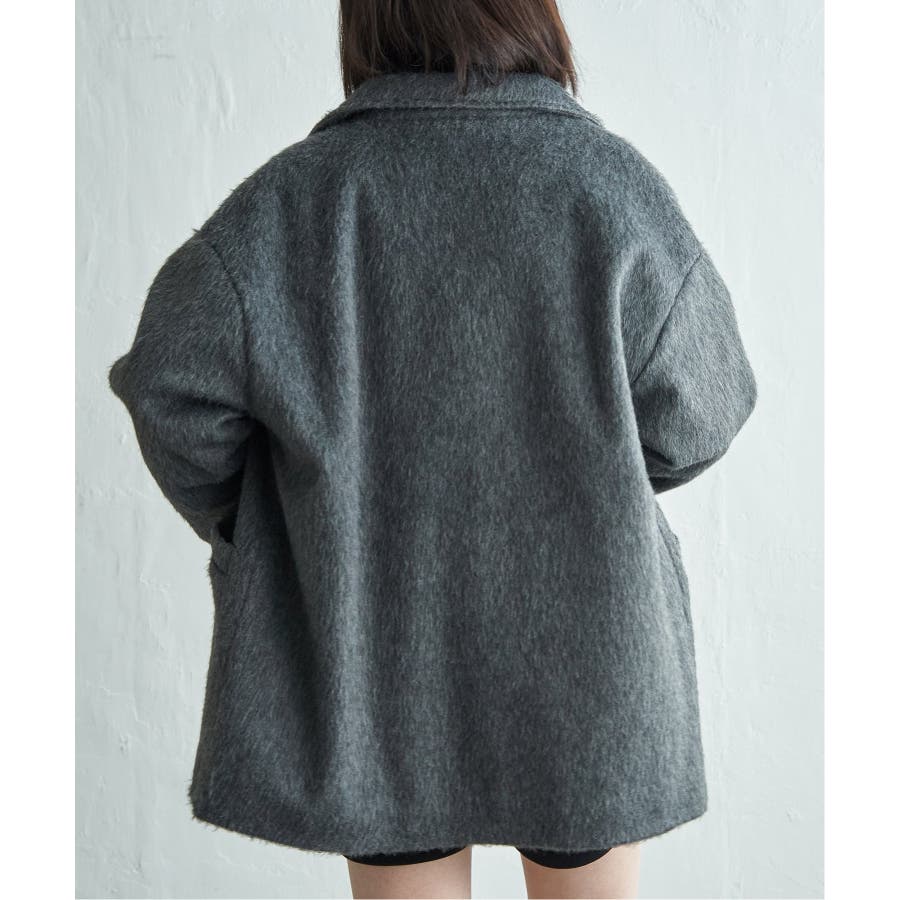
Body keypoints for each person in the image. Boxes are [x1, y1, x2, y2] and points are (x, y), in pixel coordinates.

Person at [107, 0, 758, 897]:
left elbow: (169, 390)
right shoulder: (611, 190)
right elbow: (707, 403)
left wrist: (277, 520)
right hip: (593, 671)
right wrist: (585, 464)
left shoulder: (287, 205)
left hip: (372, 668)